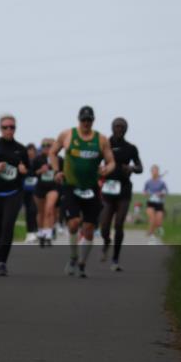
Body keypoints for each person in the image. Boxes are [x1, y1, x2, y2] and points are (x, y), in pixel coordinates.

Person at [48, 106, 116, 278]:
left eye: (89, 120)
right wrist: (57, 171)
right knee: (73, 223)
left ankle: (82, 263)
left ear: (93, 121)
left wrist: (106, 169)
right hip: (71, 185)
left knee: (89, 228)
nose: (86, 123)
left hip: (91, 188)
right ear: (78, 120)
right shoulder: (67, 135)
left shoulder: (101, 140)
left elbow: (111, 162)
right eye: (83, 120)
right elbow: (53, 152)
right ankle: (72, 257)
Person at [0, 115, 30, 276]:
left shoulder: (21, 149)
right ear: (0, 128)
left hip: (14, 192)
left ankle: (3, 262)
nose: (9, 130)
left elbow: (28, 170)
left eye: (12, 127)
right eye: (5, 127)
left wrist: (25, 171)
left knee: (8, 225)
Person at [99, 117, 143, 271]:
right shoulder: (105, 144)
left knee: (119, 224)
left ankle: (115, 259)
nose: (119, 129)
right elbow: (96, 163)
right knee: (104, 225)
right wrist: (99, 172)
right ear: (112, 128)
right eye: (116, 126)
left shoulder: (131, 148)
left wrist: (131, 169)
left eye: (122, 127)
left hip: (124, 189)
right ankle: (106, 241)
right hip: (108, 189)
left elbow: (140, 167)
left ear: (126, 129)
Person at [32, 138, 60, 247]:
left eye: (49, 146)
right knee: (41, 212)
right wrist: (40, 171)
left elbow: (63, 172)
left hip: (53, 187)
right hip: (40, 188)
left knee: (49, 209)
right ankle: (41, 232)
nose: (46, 148)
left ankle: (48, 234)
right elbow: (30, 173)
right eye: (44, 146)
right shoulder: (37, 159)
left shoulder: (58, 159)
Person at [144, 165, 169, 243]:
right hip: (151, 202)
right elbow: (144, 191)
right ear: (151, 172)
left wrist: (161, 193)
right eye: (153, 171)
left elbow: (166, 191)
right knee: (152, 218)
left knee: (158, 221)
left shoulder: (162, 182)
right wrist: (147, 193)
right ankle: (151, 233)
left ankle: (156, 230)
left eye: (156, 171)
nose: (155, 172)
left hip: (159, 203)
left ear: (158, 172)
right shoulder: (148, 182)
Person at [22, 143, 40, 243]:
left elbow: (37, 173)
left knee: (34, 210)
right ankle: (30, 232)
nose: (30, 153)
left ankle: (36, 231)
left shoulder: (38, 162)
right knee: (29, 211)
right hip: (25, 190)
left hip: (37, 190)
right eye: (28, 151)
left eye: (32, 151)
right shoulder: (23, 162)